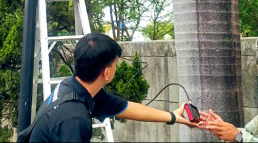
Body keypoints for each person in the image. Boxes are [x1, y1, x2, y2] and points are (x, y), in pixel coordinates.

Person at [20, 33, 208, 143]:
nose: (116, 67)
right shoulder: (74, 118)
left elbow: (126, 108)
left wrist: (175, 117)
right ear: (106, 73)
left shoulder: (75, 88)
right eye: (115, 63)